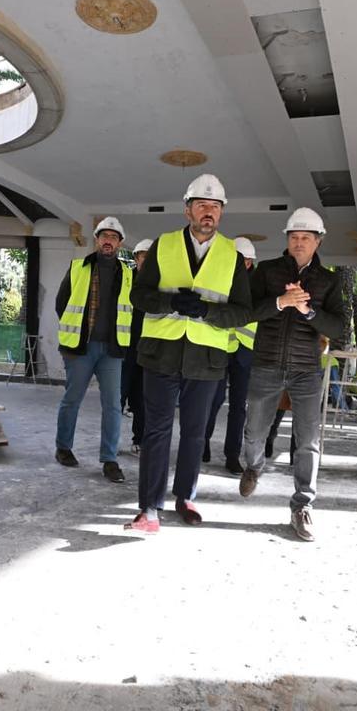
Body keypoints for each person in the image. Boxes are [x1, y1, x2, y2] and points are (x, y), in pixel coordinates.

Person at [126, 174, 251, 533]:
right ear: (187, 210)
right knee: (157, 430)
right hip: (161, 352)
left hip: (207, 357)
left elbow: (243, 311)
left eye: (214, 207)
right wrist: (169, 302)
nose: (208, 212)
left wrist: (207, 312)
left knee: (196, 433)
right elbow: (139, 295)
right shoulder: (164, 245)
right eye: (201, 205)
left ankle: (185, 497)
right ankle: (149, 508)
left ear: (222, 213)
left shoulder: (232, 254)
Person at [238, 208, 344, 542]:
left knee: (308, 441)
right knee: (254, 432)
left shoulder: (329, 280)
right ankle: (254, 466)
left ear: (318, 241)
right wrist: (281, 302)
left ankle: (302, 505)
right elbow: (247, 311)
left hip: (306, 371)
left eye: (305, 238)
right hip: (266, 364)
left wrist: (309, 311)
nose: (299, 243)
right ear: (287, 239)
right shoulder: (267, 271)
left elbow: (339, 327)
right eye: (294, 237)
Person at [53, 216, 133, 483]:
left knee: (112, 405)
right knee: (72, 399)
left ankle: (109, 460)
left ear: (120, 243)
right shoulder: (79, 267)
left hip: (112, 350)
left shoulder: (129, 274)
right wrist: (72, 336)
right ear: (97, 240)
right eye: (103, 236)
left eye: (113, 237)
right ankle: (63, 447)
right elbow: (61, 303)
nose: (108, 241)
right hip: (80, 348)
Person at [202, 236, 257, 475]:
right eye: (238, 259)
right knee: (211, 401)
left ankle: (232, 455)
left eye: (245, 260)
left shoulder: (258, 286)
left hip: (245, 352)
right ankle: (201, 444)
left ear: (251, 262)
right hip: (221, 348)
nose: (241, 264)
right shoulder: (220, 277)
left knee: (238, 406)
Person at [122, 238, 152, 453]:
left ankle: (139, 440)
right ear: (136, 258)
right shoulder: (124, 280)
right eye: (144, 257)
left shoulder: (159, 285)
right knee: (117, 398)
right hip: (123, 348)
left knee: (142, 400)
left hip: (148, 351)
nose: (147, 261)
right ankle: (111, 442)